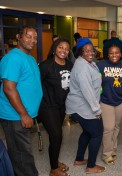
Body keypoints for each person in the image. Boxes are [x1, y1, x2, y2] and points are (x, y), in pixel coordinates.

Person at [0, 26, 42, 176]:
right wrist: (24, 114)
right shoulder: (12, 58)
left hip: (24, 115)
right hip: (15, 116)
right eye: (28, 36)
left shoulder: (30, 58)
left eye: (35, 37)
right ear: (19, 37)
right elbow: (9, 88)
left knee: (21, 154)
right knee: (22, 157)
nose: (33, 40)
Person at [65, 38, 106, 174]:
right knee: (97, 133)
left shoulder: (88, 63)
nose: (90, 53)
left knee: (87, 132)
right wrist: (97, 110)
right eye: (86, 51)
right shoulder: (82, 67)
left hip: (82, 105)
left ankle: (79, 159)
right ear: (80, 52)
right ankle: (91, 166)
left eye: (92, 50)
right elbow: (87, 91)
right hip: (82, 107)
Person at [38, 38, 73, 176]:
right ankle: (53, 169)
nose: (63, 50)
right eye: (60, 47)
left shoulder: (70, 65)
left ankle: (55, 160)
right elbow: (35, 86)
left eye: (66, 48)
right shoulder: (45, 66)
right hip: (47, 106)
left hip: (61, 106)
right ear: (54, 48)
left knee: (56, 137)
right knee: (57, 135)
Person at [97, 44, 122, 165]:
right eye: (111, 53)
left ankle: (113, 148)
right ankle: (106, 154)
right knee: (108, 128)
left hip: (120, 101)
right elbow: (95, 83)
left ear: (120, 53)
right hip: (106, 101)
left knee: (117, 126)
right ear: (107, 54)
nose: (114, 55)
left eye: (117, 52)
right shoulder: (100, 65)